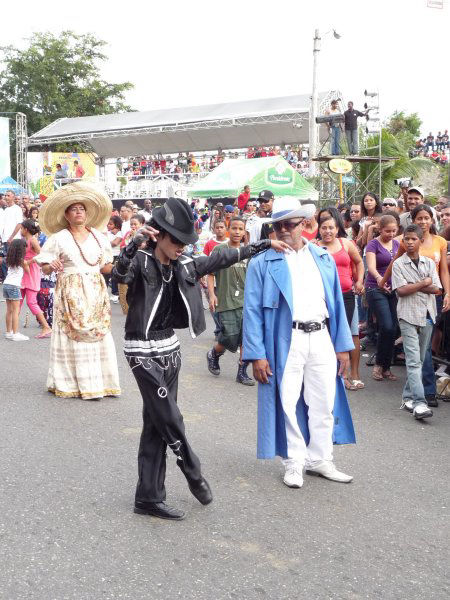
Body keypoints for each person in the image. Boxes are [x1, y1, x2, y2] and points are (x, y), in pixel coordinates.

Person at [113, 197, 289, 521]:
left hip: (170, 350)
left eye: (185, 241)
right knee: (171, 419)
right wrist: (135, 242)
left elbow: (221, 257)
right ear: (159, 235)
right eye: (176, 240)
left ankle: (148, 497)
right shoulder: (139, 260)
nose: (181, 246)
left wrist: (263, 244)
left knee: (156, 425)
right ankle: (193, 472)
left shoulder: (183, 265)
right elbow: (118, 276)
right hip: (142, 352)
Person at [243, 197, 355, 489]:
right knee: (287, 399)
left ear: (304, 225)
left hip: (320, 337)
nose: (282, 230)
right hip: (285, 338)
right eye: (277, 225)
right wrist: (257, 354)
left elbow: (337, 305)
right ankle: (294, 461)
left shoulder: (322, 257)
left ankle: (320, 458)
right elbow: (252, 311)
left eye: (288, 225)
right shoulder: (262, 262)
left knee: (323, 399)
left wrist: (342, 345)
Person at [34, 182, 120, 400]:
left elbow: (106, 266)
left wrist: (125, 267)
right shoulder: (58, 238)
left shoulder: (100, 237)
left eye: (82, 208)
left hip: (96, 290)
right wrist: (50, 265)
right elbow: (43, 265)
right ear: (66, 215)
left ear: (87, 212)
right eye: (74, 209)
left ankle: (101, 383)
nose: (79, 211)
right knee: (72, 335)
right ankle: (71, 383)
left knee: (98, 333)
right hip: (69, 291)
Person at [391, 224, 441, 420]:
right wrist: (424, 283)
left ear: (421, 241)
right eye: (406, 239)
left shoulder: (429, 263)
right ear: (402, 241)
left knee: (419, 360)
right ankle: (420, 403)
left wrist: (417, 285)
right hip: (407, 316)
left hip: (428, 314)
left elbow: (436, 288)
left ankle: (407, 396)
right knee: (413, 362)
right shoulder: (398, 264)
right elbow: (401, 291)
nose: (410, 242)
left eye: (413, 239)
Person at [317, 215, 365, 391]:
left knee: (344, 334)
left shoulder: (346, 244)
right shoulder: (314, 247)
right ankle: (331, 375)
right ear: (319, 229)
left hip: (346, 295)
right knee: (328, 335)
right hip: (323, 298)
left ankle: (344, 375)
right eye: (324, 228)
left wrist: (360, 281)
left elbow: (359, 262)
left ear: (337, 229)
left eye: (331, 227)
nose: (328, 231)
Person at [206, 217, 255, 385]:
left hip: (246, 302)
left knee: (246, 339)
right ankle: (214, 353)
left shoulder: (249, 252)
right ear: (229, 229)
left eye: (241, 229)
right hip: (226, 301)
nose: (237, 232)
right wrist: (212, 295)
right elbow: (210, 273)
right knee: (229, 337)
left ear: (244, 232)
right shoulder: (220, 250)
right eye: (234, 228)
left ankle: (242, 372)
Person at [365, 214, 400, 381]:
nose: (391, 234)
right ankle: (379, 364)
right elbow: (371, 267)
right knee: (385, 325)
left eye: (394, 231)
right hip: (375, 288)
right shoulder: (373, 244)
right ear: (380, 229)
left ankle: (387, 366)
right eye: (388, 231)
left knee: (393, 328)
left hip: (393, 289)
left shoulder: (397, 244)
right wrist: (380, 279)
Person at [19, 219, 52, 338]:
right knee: (18, 300)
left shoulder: (32, 240)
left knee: (31, 301)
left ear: (26, 229)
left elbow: (42, 255)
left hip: (32, 272)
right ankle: (12, 329)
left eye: (21, 228)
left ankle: (46, 327)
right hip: (23, 272)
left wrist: (29, 261)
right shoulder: (24, 240)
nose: (20, 230)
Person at [3, 239, 29, 341]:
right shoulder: (23, 261)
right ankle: (15, 333)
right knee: (16, 311)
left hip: (6, 284)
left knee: (9, 310)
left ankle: (8, 332)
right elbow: (28, 270)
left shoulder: (9, 259)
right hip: (14, 286)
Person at [1, 190, 23, 280]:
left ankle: (14, 280)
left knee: (12, 261)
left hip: (13, 240)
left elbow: (19, 224)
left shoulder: (17, 209)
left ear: (13, 197)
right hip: (5, 239)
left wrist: (11, 237)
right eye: (5, 195)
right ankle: (8, 279)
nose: (6, 197)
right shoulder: (5, 209)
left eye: (8, 195)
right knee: (5, 261)